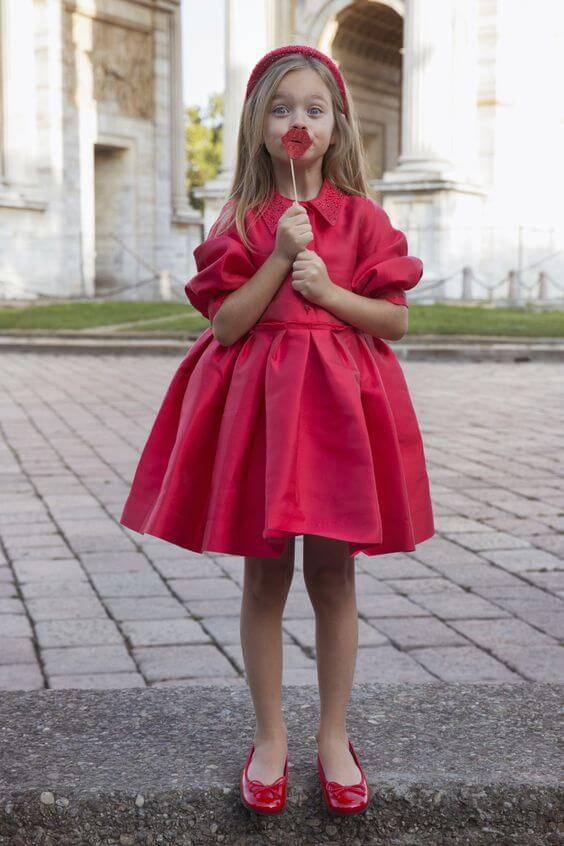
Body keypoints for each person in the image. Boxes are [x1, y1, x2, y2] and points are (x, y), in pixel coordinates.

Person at [119, 44, 435, 815]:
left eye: (314, 108)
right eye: (282, 108)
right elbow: (226, 324)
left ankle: (333, 733)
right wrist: (281, 256)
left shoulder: (362, 219)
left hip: (336, 421)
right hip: (264, 419)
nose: (299, 121)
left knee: (332, 575)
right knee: (266, 576)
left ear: (337, 125)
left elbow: (393, 319)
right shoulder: (247, 217)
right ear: (261, 126)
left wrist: (324, 286)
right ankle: (270, 735)